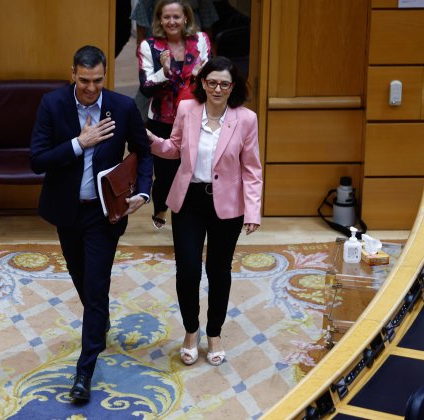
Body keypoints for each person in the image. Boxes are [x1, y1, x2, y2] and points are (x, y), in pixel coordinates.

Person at [30, 46, 153, 401]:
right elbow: (37, 160)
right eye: (84, 81)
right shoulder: (53, 105)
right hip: (67, 211)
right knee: (82, 279)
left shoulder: (123, 107)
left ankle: (83, 374)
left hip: (105, 214)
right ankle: (99, 322)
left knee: (96, 286)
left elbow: (142, 152)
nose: (90, 88)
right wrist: (78, 144)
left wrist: (142, 193)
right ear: (72, 74)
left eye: (98, 80)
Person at [147, 56, 262, 366]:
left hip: (227, 205)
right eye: (212, 82)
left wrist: (253, 211)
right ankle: (190, 331)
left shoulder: (246, 119)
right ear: (202, 83)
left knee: (218, 271)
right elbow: (173, 147)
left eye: (224, 83)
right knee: (187, 271)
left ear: (232, 87)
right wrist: (152, 141)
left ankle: (214, 333)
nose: (217, 88)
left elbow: (252, 169)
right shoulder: (187, 110)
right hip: (189, 201)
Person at [138, 0, 211, 229]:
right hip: (162, 119)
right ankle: (161, 206)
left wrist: (201, 75)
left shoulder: (200, 40)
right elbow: (146, 87)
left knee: (192, 169)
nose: (172, 22)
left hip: (195, 117)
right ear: (159, 19)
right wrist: (165, 72)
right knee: (165, 175)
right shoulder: (149, 46)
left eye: (176, 17)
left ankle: (187, 217)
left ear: (186, 18)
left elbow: (211, 78)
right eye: (167, 17)